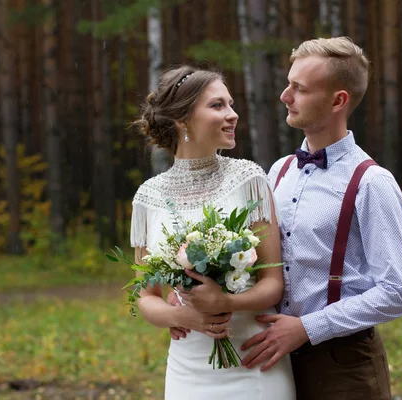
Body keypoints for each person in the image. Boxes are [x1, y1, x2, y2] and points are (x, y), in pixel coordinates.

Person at [239, 37, 402, 399]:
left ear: (338, 100)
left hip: (343, 364)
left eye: (299, 89)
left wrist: (308, 327)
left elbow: (398, 292)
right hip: (275, 359)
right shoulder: (279, 171)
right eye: (288, 84)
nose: (285, 96)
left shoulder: (372, 183)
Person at [130, 65, 296, 399]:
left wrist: (225, 301)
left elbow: (273, 283)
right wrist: (183, 316)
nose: (232, 115)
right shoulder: (148, 196)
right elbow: (145, 296)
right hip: (188, 369)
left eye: (231, 104)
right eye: (218, 105)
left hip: (254, 358)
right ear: (182, 119)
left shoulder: (249, 179)